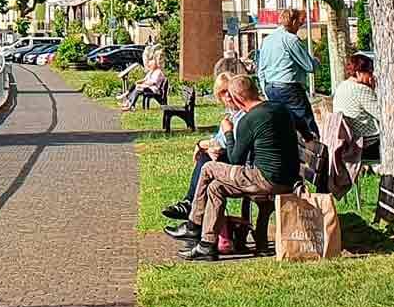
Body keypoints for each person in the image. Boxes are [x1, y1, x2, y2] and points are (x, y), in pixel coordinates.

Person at [182, 72, 299, 260]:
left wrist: (228, 133)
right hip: (288, 178)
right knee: (215, 187)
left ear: (237, 98)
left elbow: (236, 159)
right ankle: (207, 244)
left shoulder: (249, 119)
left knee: (208, 168)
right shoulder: (280, 108)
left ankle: (193, 224)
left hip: (265, 179)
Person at [163, 61, 246, 240]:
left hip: (241, 165)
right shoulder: (231, 115)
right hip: (230, 157)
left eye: (229, 92)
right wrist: (203, 144)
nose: (227, 97)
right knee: (205, 159)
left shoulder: (241, 116)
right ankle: (192, 211)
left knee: (206, 163)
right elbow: (218, 139)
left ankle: (190, 210)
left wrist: (210, 146)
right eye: (223, 93)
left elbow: (234, 144)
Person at [254, 8, 319, 138]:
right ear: (294, 21)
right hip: (289, 87)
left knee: (283, 126)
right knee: (306, 124)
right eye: (300, 23)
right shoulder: (291, 40)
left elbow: (261, 68)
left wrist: (264, 88)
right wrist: (316, 61)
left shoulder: (268, 40)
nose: (300, 26)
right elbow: (309, 66)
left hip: (270, 86)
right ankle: (316, 152)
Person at [331, 52, 382, 161]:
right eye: (369, 72)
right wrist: (372, 90)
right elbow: (383, 116)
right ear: (359, 72)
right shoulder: (361, 90)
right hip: (366, 143)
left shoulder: (342, 86)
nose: (372, 76)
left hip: (348, 142)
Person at [121, 43, 169, 111]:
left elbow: (153, 83)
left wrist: (144, 84)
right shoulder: (153, 71)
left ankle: (130, 105)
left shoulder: (158, 72)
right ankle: (130, 104)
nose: (150, 65)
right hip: (150, 88)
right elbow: (147, 80)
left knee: (138, 88)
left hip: (154, 89)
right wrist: (142, 83)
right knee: (137, 87)